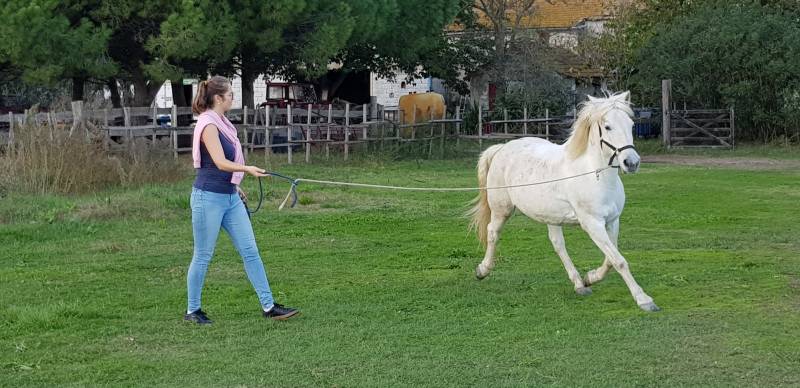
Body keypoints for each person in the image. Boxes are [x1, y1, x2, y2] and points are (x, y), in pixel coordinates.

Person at [184, 76, 299, 324]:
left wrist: (236, 186)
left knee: (250, 250)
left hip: (229, 197)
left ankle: (268, 306)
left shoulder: (224, 123)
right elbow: (218, 161)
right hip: (208, 198)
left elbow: (226, 166)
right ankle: (193, 310)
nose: (233, 98)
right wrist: (247, 170)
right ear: (218, 98)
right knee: (203, 254)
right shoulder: (208, 125)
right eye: (230, 95)